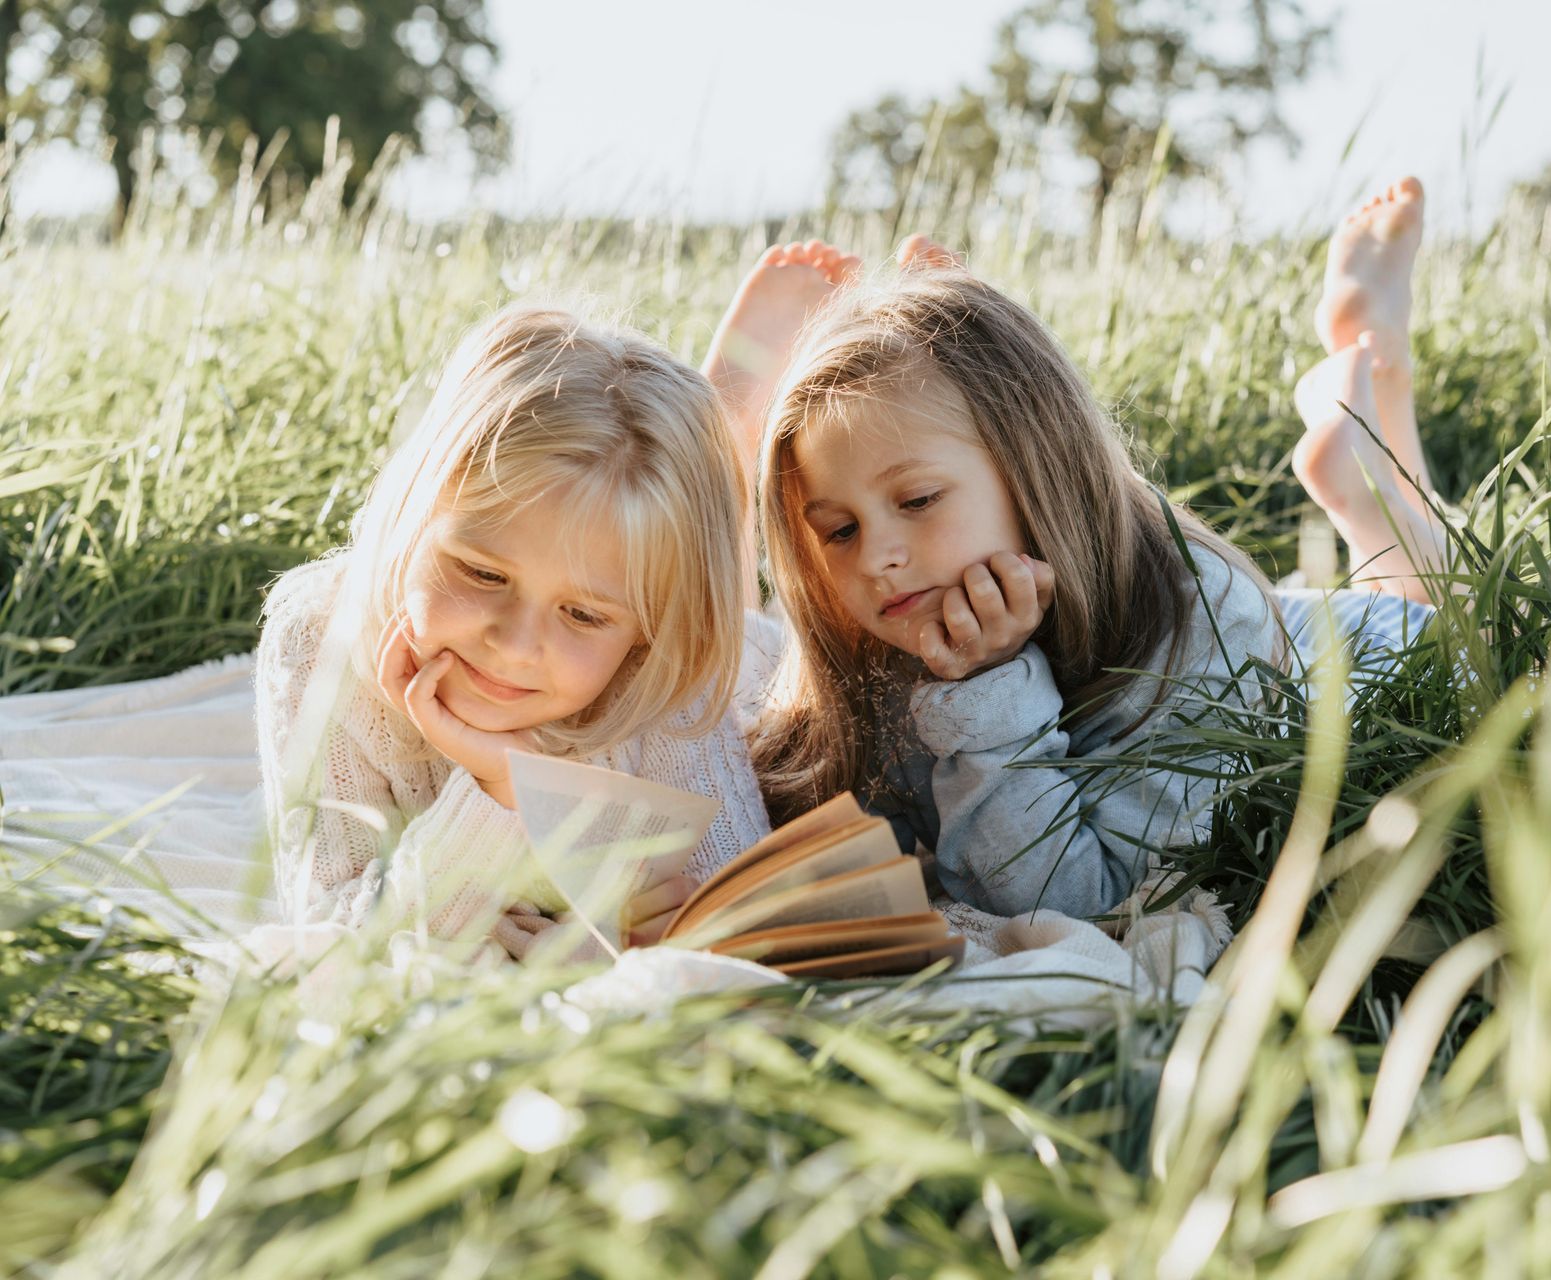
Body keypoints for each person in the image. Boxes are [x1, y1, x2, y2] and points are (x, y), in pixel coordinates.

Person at [736, 220, 1430, 921]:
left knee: (1432, 594)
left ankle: (1383, 424)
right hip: (1294, 613)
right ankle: (1369, 461)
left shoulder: (1204, 627)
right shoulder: (894, 623)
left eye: (917, 500)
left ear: (1036, 466)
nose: (876, 557)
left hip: (1363, 651)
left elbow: (1075, 901)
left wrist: (986, 689)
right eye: (839, 530)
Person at [258, 303, 774, 960]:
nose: (517, 644)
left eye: (584, 614)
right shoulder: (318, 639)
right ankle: (732, 429)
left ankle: (738, 444)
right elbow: (334, 936)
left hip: (759, 670)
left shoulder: (665, 670)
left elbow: (738, 907)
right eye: (482, 573)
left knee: (758, 642)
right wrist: (498, 788)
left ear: (646, 634)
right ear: (414, 516)